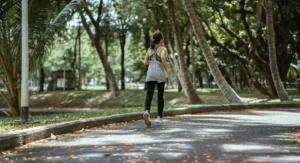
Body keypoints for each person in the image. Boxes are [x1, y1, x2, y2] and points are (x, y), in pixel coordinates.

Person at [143, 30, 170, 127]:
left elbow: (145, 62)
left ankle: (147, 111)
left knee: (149, 95)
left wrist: (151, 62)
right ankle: (159, 118)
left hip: (150, 73)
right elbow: (163, 58)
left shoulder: (149, 49)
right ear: (161, 39)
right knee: (160, 96)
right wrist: (167, 69)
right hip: (159, 74)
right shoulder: (163, 49)